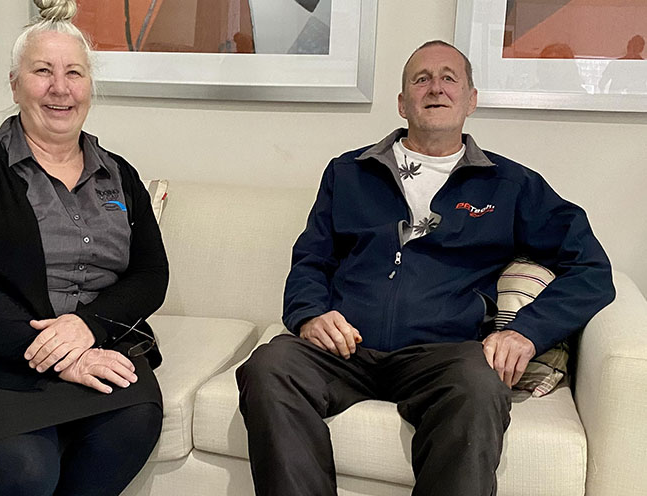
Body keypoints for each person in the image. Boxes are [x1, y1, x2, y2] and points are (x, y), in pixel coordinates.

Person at [236, 40, 615, 496]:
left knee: (479, 385)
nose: (435, 88)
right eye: (421, 79)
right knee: (269, 365)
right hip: (345, 349)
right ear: (402, 103)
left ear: (471, 100)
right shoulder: (348, 172)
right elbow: (311, 259)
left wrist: (527, 332)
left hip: (445, 355)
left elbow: (591, 268)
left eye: (449, 78)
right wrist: (310, 314)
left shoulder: (509, 185)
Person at [0, 1, 168, 495]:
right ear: (15, 85)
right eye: (43, 71)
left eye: (74, 73)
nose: (60, 88)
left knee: (132, 425)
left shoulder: (120, 175)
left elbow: (150, 275)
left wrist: (88, 327)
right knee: (23, 469)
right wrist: (57, 354)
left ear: (89, 86)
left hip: (90, 343)